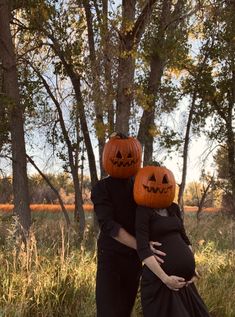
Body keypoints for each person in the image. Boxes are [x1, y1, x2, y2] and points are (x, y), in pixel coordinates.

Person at [91, 132, 165, 317]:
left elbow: (154, 215)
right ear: (108, 156)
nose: (124, 158)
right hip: (111, 258)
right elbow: (109, 226)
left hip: (134, 259)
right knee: (108, 311)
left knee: (125, 310)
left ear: (137, 157)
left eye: (130, 154)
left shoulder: (140, 185)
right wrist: (142, 246)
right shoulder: (101, 188)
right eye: (117, 154)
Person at [134, 166, 211, 317]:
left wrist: (191, 268)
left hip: (184, 283)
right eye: (152, 181)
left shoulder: (173, 208)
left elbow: (185, 239)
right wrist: (166, 279)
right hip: (161, 283)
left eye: (165, 180)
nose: (159, 185)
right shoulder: (143, 211)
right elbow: (143, 249)